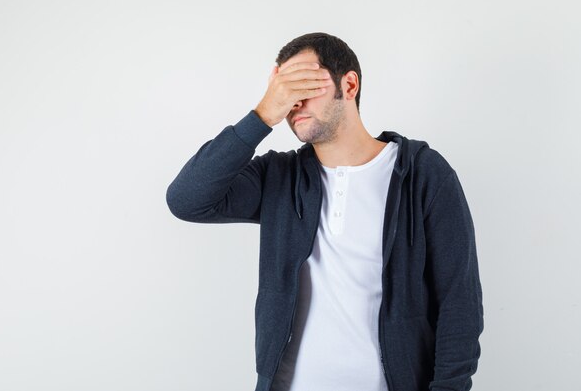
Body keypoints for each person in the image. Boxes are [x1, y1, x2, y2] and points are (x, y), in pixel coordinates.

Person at [166, 32, 484, 391]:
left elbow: (460, 303)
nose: (294, 104)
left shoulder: (422, 174)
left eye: (304, 85)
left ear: (348, 85)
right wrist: (262, 116)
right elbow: (186, 199)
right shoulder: (280, 177)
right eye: (284, 92)